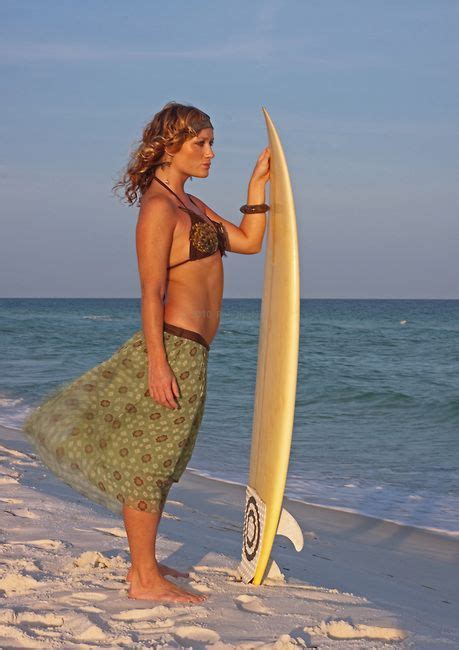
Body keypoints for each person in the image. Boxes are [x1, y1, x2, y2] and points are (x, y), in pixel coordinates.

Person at [22, 101, 270, 603]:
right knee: (150, 462)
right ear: (170, 145)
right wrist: (158, 363)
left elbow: (248, 243)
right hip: (173, 349)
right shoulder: (159, 208)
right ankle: (143, 578)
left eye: (211, 142)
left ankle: (145, 568)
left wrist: (256, 188)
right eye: (200, 143)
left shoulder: (193, 205)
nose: (210, 152)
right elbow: (150, 290)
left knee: (164, 460)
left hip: (194, 353)